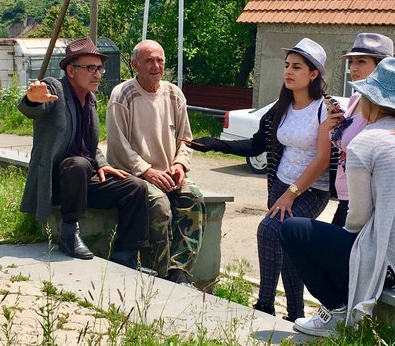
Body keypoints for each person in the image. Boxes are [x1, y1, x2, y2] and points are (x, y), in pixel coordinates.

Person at [280, 57, 395, 337]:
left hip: (388, 268)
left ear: (371, 100)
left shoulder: (365, 142)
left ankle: (335, 311)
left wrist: (339, 263)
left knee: (290, 230)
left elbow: (358, 219)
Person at [187, 38, 332, 321]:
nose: (288, 72)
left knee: (268, 230)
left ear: (314, 74)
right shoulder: (281, 107)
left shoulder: (325, 109)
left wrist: (291, 193)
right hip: (280, 184)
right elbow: (256, 146)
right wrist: (215, 144)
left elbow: (323, 160)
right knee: (288, 245)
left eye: (297, 67)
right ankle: (295, 315)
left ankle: (264, 305)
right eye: (287, 65)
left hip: (311, 191)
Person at [17, 37, 150, 269]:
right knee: (77, 164)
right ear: (70, 70)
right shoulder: (55, 88)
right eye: (90, 68)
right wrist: (32, 99)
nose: (97, 74)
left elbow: (91, 146)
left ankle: (125, 254)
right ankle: (69, 234)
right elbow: (33, 106)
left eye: (99, 68)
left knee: (135, 187)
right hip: (57, 184)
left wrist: (101, 164)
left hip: (83, 180)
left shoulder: (90, 99)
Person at [106, 39, 206, 285]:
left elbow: (186, 139)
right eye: (149, 60)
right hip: (134, 175)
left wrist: (180, 165)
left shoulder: (174, 94)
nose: (156, 65)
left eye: (160, 60)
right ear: (134, 65)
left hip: (168, 173)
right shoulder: (122, 95)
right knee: (159, 206)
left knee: (193, 197)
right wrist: (147, 171)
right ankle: (159, 273)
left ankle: (179, 272)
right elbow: (119, 146)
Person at [324, 33, 394, 227]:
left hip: (364, 199)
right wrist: (333, 122)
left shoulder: (383, 109)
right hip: (345, 193)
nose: (353, 68)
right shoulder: (356, 99)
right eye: (351, 61)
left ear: (382, 67)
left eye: (361, 61)